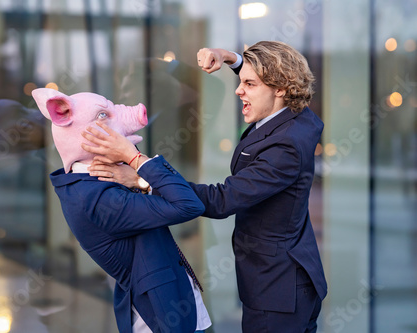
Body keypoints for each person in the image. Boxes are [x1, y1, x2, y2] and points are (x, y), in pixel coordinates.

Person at [86, 41, 328, 333]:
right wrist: (231, 58)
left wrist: (138, 166)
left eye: (249, 84)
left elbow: (221, 200)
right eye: (242, 81)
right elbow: (271, 79)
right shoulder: (299, 118)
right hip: (291, 281)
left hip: (278, 291)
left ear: (280, 88)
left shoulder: (286, 147)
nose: (239, 91)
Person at [33, 89, 211, 333]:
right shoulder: (97, 198)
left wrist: (139, 180)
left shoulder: (95, 182)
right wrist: (135, 159)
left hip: (175, 301)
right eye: (103, 115)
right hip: (161, 316)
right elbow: (188, 205)